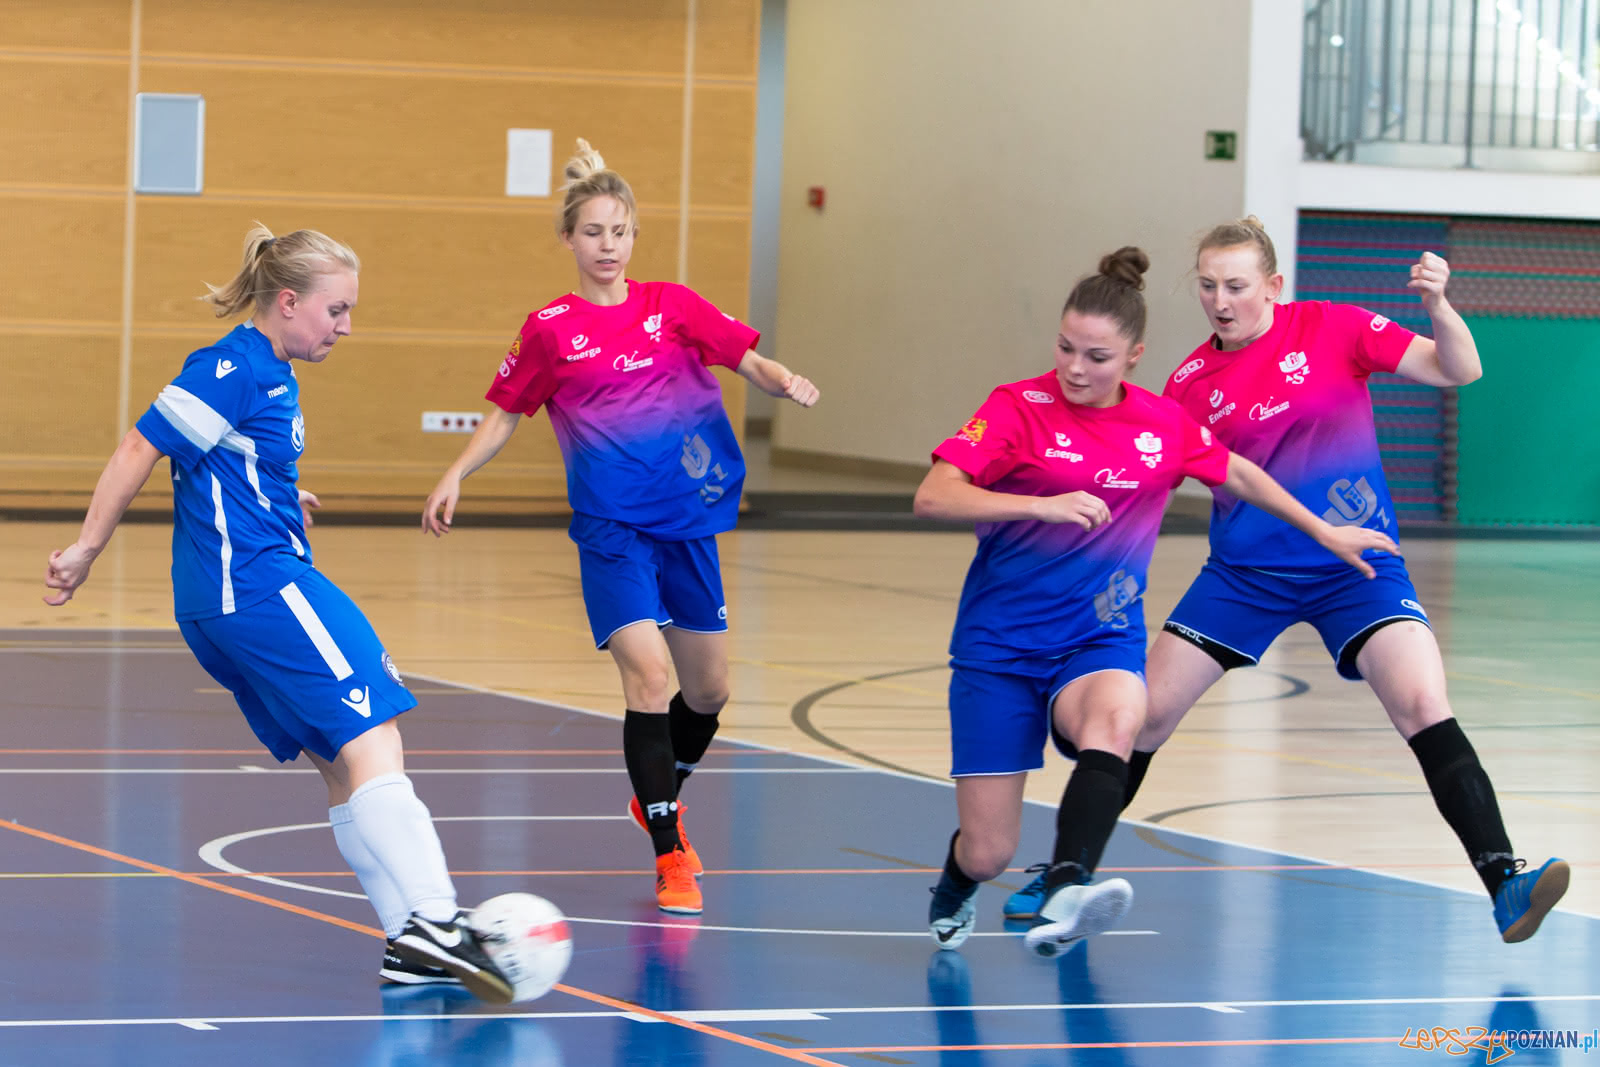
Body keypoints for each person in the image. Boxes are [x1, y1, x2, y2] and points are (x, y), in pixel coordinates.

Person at [1009, 217, 1569, 944]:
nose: (1220, 299)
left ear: (1273, 285)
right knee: (1142, 716)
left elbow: (1458, 369)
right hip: (1244, 575)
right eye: (1208, 285)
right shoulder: (1189, 383)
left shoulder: (1335, 328)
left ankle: (1505, 883)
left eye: (1236, 285)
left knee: (1423, 700)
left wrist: (1440, 307)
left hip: (1356, 566)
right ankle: (1065, 879)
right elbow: (1141, 462)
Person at [43, 225, 516, 1002]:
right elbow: (140, 446)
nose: (347, 326)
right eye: (337, 309)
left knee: (340, 761)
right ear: (288, 302)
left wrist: (273, 488)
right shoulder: (235, 365)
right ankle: (437, 918)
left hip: (227, 599)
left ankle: (409, 940)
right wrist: (87, 547)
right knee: (374, 735)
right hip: (261, 588)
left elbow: (214, 459)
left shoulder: (267, 372)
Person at [915, 247, 1395, 956]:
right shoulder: (1017, 406)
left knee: (1119, 718)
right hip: (1000, 647)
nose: (1077, 368)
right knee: (989, 850)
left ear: (1134, 355)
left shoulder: (1161, 424)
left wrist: (1323, 528)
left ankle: (1070, 884)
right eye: (1067, 348)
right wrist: (1036, 507)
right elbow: (934, 494)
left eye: (1098, 356)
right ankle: (957, 879)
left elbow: (1239, 472)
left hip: (1096, 638)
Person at [421, 140, 819, 916]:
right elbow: (505, 414)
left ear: (635, 237)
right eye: (593, 231)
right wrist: (454, 472)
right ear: (568, 239)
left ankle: (656, 794)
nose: (608, 246)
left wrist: (785, 379)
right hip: (612, 533)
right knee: (650, 677)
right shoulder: (548, 328)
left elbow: (747, 358)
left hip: (686, 527)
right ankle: (669, 853)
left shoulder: (670, 305)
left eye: (621, 231)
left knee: (708, 692)